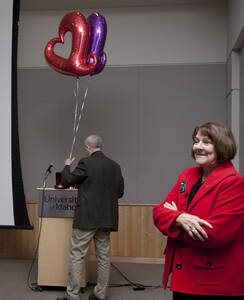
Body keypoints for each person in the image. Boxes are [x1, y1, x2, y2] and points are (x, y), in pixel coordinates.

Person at [153, 122, 244, 298]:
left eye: (206, 142)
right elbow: (158, 212)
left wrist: (173, 221)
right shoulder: (188, 175)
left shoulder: (234, 182)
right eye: (196, 141)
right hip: (183, 275)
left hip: (213, 282)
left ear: (222, 146)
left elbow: (213, 235)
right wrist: (180, 219)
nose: (198, 147)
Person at [57, 134, 124, 300]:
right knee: (103, 257)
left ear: (88, 148)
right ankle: (100, 295)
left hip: (87, 218)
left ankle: (72, 295)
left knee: (77, 255)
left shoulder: (86, 163)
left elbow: (67, 180)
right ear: (100, 146)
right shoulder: (115, 166)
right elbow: (120, 192)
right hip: (106, 219)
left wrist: (66, 166)